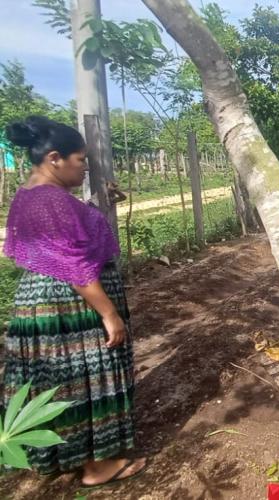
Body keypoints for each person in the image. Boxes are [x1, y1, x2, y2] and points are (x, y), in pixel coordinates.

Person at [2, 117, 146, 485]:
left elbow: (62, 244)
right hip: (69, 307)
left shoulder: (31, 195)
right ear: (55, 158)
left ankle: (64, 455)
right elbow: (75, 265)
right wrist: (109, 313)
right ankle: (96, 465)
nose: (85, 168)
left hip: (48, 301)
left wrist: (94, 206)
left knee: (56, 381)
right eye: (81, 160)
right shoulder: (50, 200)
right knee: (84, 379)